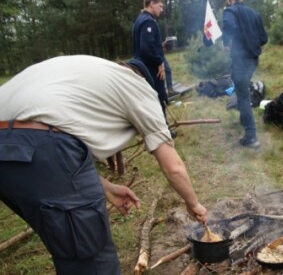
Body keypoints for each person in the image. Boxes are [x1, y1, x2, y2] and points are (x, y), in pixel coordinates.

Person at [0, 55, 207, 275]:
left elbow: (41, 135)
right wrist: (193, 204)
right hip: (45, 147)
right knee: (91, 261)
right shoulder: (137, 86)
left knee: (67, 245)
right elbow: (172, 165)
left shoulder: (83, 71)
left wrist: (105, 187)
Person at [222, 0, 268, 148]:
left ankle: (251, 137)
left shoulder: (229, 11)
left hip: (240, 61)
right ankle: (244, 118)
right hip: (253, 60)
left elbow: (228, 26)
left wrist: (228, 42)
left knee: (242, 96)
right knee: (243, 90)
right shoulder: (254, 14)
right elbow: (264, 39)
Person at [132, 0, 169, 118]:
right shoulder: (148, 22)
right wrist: (159, 62)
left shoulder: (140, 19)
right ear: (151, 4)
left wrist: (160, 46)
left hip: (143, 66)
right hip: (151, 68)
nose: (161, 9)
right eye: (160, 6)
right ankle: (164, 130)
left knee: (152, 98)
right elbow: (146, 48)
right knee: (158, 97)